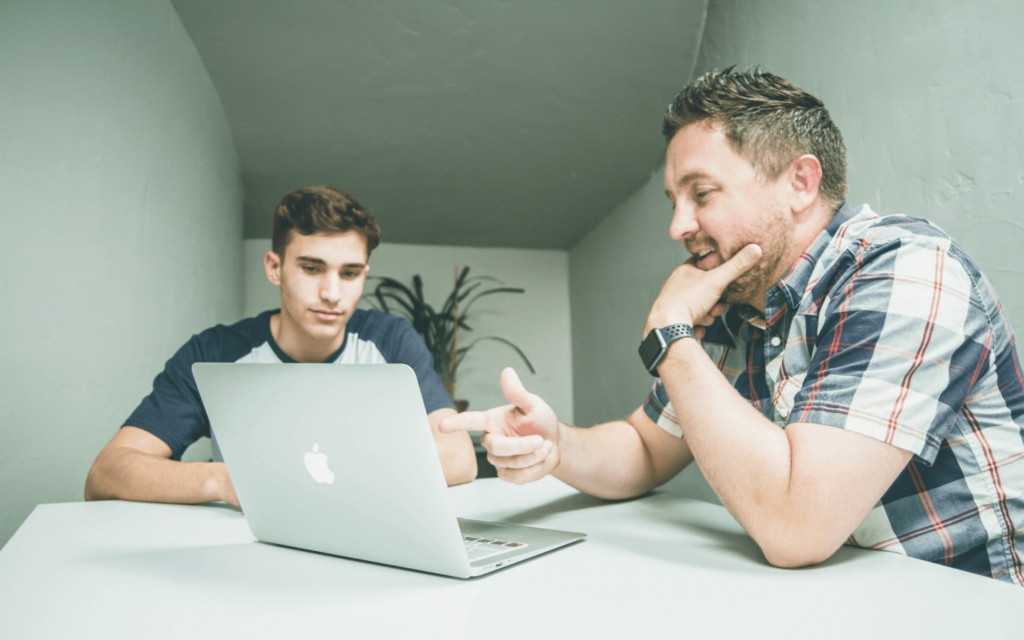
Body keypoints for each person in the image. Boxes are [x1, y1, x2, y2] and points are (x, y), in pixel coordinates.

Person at [441, 68, 1024, 585]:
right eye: (674, 200)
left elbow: (797, 528)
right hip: (839, 598)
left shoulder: (907, 269)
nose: (678, 225)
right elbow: (647, 447)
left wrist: (671, 335)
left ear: (800, 182)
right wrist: (557, 445)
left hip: (969, 604)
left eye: (701, 194)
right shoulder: (742, 302)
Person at [86, 185, 477, 506]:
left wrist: (318, 477)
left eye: (350, 273)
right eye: (311, 268)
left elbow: (459, 457)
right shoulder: (215, 353)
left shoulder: (390, 340)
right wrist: (226, 481)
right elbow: (107, 473)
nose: (331, 293)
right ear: (275, 267)